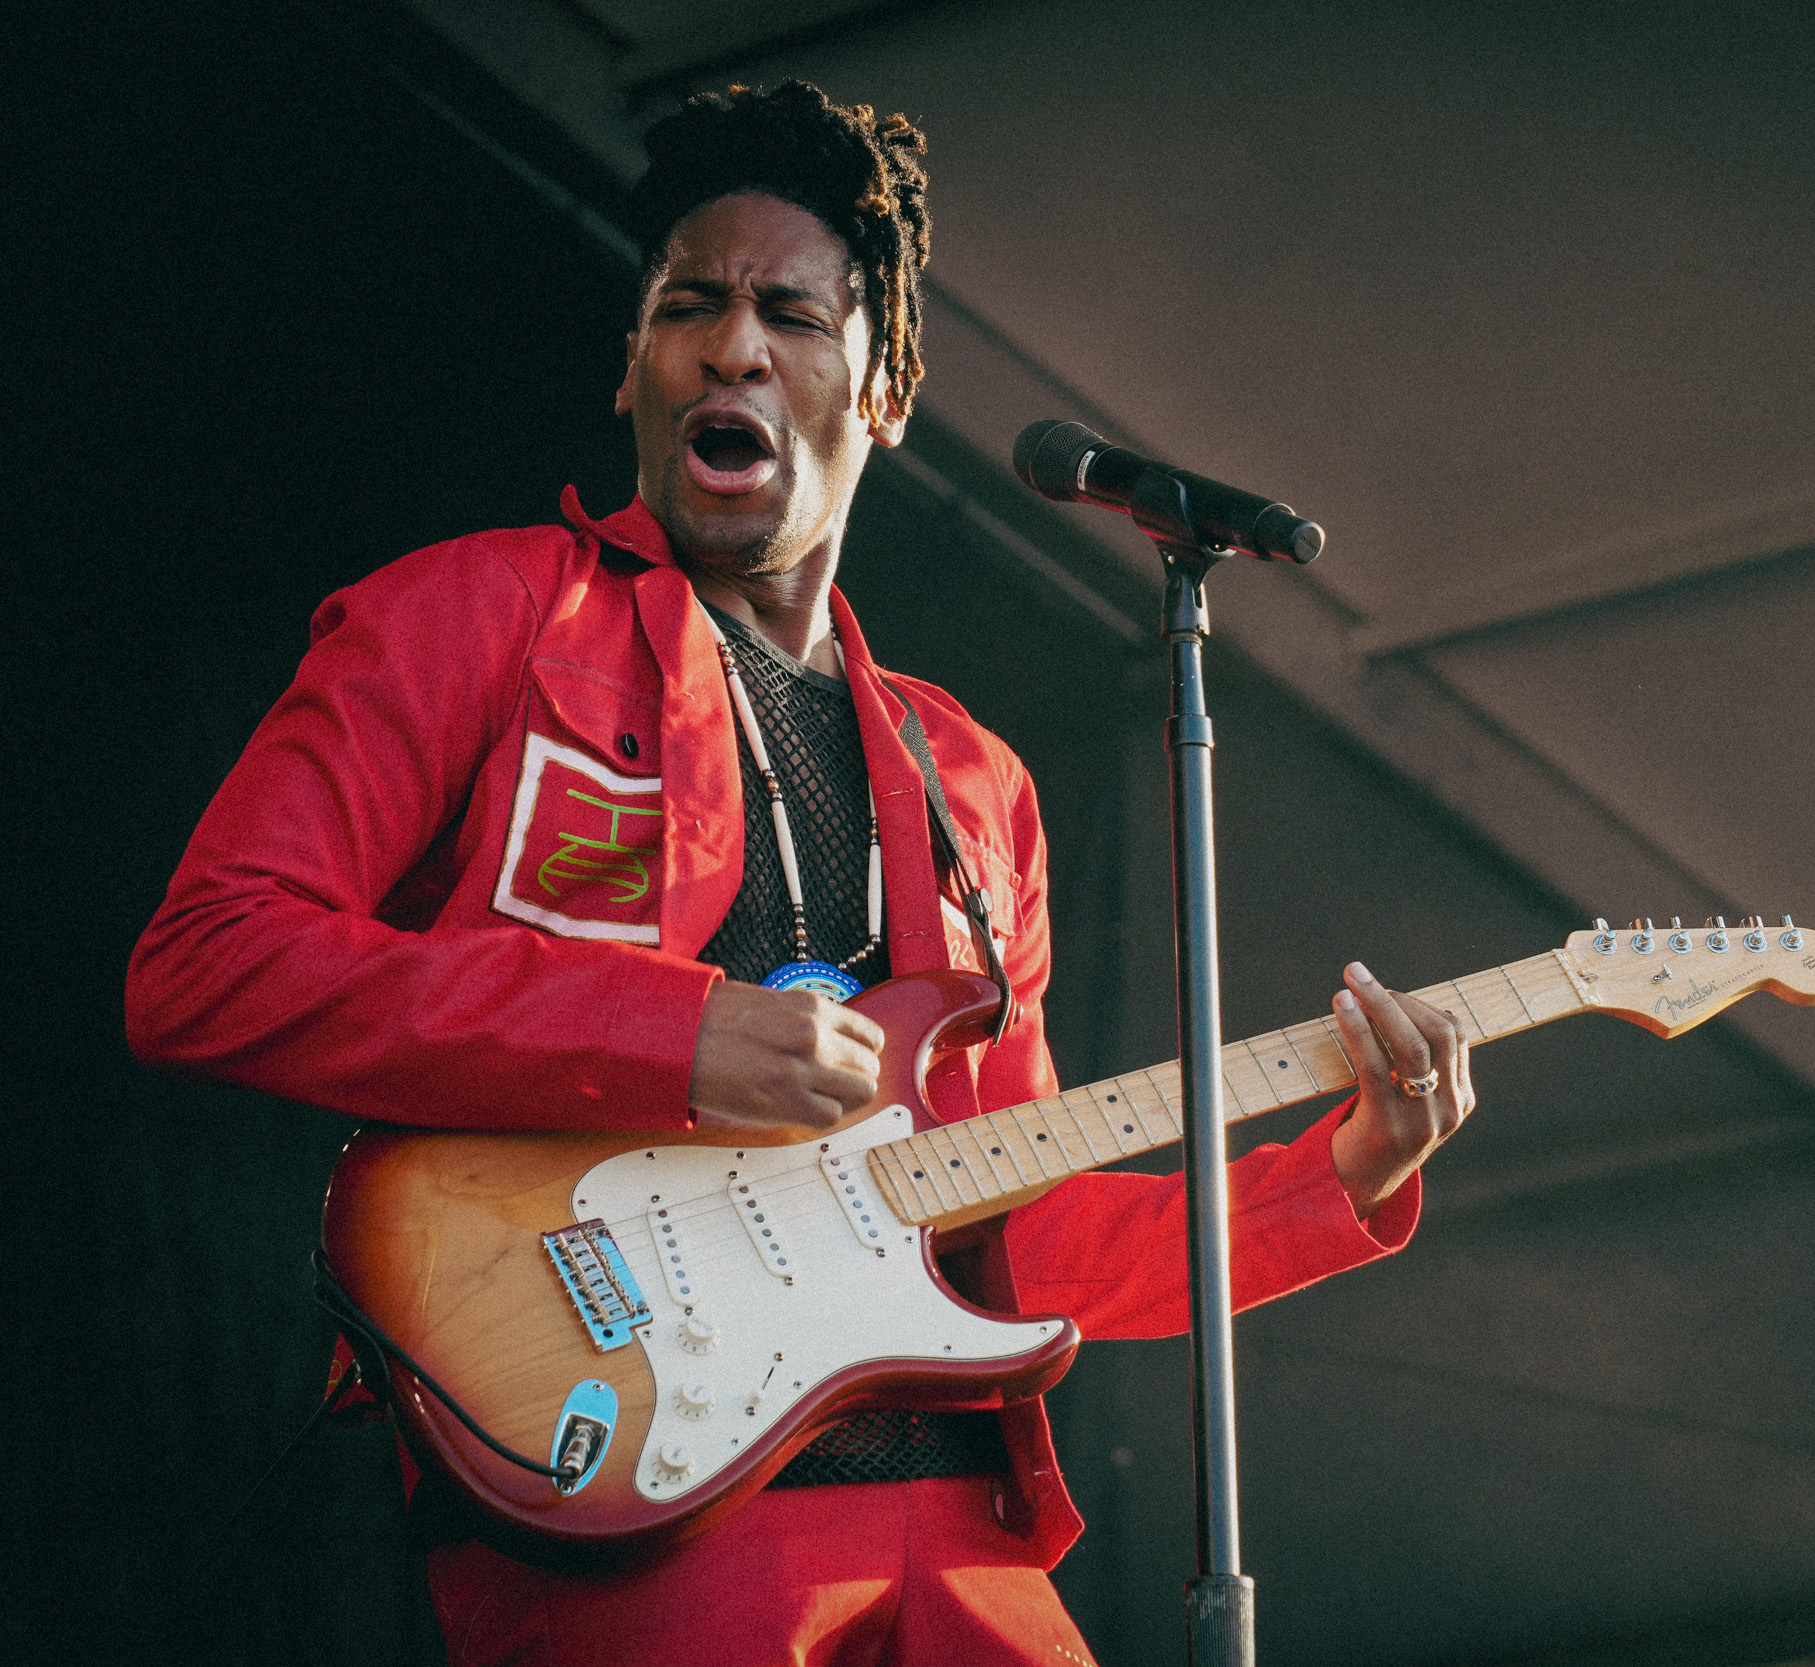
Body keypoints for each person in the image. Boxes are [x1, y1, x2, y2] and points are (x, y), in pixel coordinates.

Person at [125, 80, 1473, 1665]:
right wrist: (672, 1036)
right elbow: (209, 961)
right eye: (686, 305)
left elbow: (1012, 1230)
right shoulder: (476, 618)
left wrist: (1340, 1174)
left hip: (962, 1525)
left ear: (886, 385)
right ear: (633, 363)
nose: (734, 347)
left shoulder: (971, 782)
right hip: (638, 1508)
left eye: (791, 313)